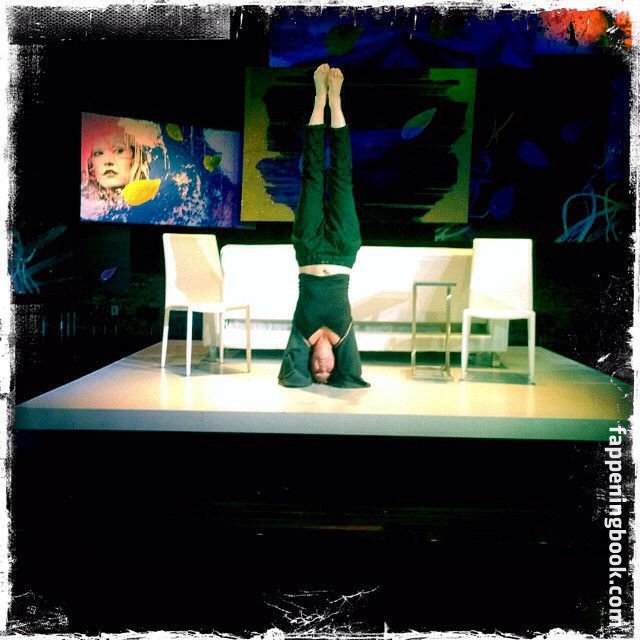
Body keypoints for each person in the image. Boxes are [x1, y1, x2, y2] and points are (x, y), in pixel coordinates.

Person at [278, 64, 370, 389]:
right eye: (327, 371)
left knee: (312, 176)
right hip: (343, 249)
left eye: (316, 370)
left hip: (308, 248)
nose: (321, 368)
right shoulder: (344, 334)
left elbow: (291, 376)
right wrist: (340, 379)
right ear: (336, 364)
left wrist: (304, 376)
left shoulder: (302, 334)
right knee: (342, 178)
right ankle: (336, 103)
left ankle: (319, 100)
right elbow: (352, 377)